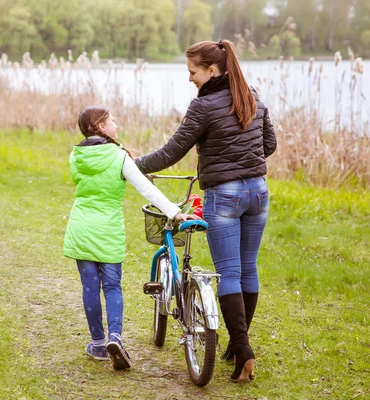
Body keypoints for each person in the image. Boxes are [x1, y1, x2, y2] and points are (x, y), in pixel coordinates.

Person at [134, 40, 277, 382]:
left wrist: (132, 164)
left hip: (224, 196)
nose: (189, 79)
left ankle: (243, 352)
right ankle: (235, 346)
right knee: (247, 269)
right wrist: (243, 162)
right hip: (258, 192)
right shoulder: (251, 94)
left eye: (192, 72)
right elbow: (268, 144)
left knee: (228, 272)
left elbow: (172, 152)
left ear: (211, 71)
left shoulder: (204, 106)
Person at [63, 105, 198, 371]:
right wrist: (174, 211)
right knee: (112, 286)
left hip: (80, 227)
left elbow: (81, 182)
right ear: (101, 127)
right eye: (112, 121)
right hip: (107, 231)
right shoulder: (119, 157)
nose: (117, 125)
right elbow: (146, 189)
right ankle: (115, 337)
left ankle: (98, 344)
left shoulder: (75, 156)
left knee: (90, 288)